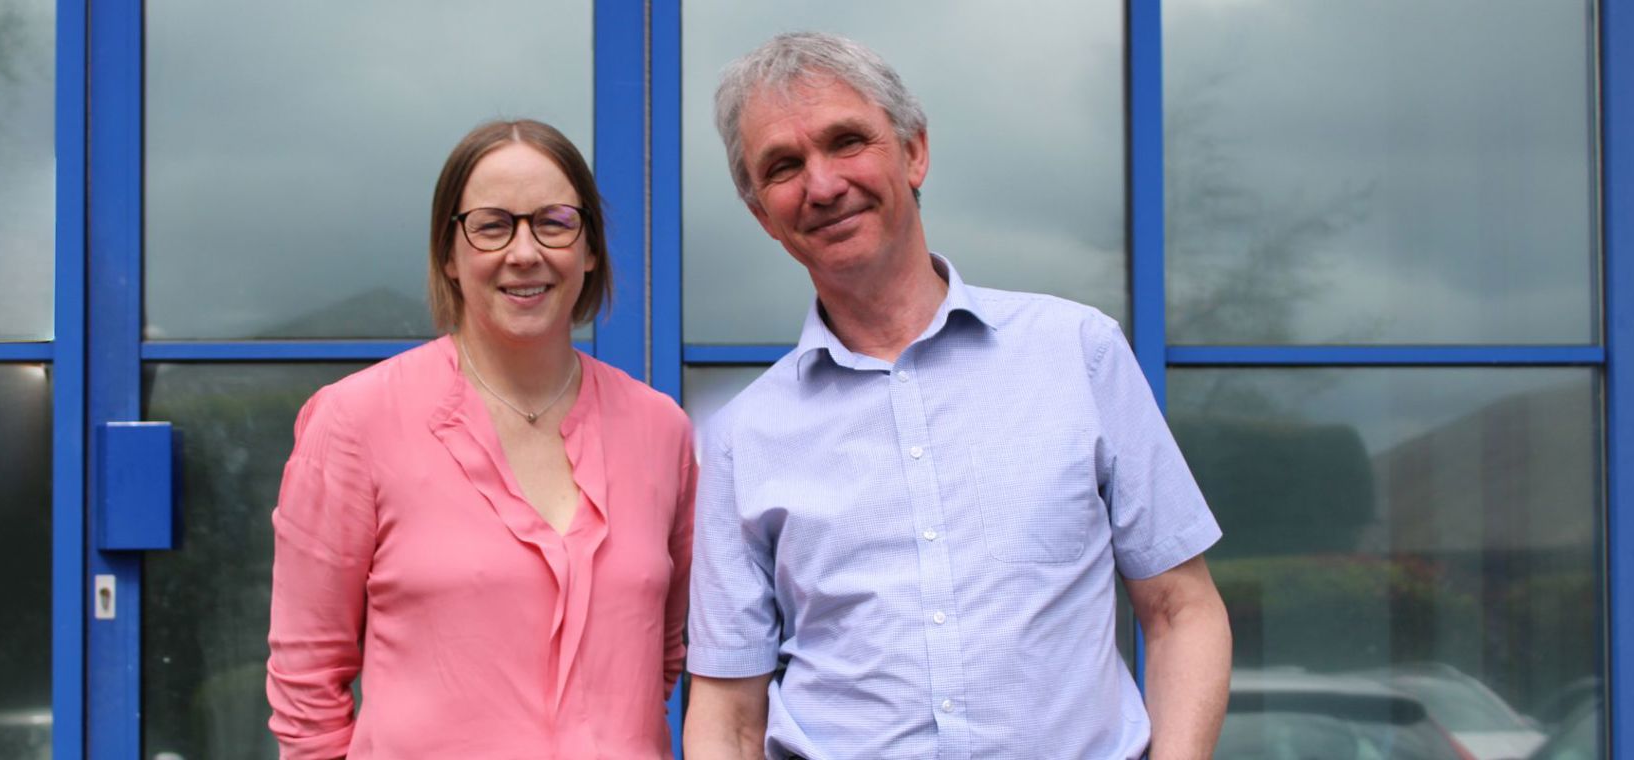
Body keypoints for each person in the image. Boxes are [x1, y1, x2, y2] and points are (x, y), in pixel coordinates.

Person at [682, 32, 1233, 760]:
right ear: (762, 214)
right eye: (783, 166)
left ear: (914, 152)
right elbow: (729, 711)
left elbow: (1180, 611)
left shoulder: (1078, 352)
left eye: (847, 142)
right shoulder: (739, 435)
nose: (821, 185)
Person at [266, 119, 696, 759]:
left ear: (591, 249)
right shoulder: (356, 420)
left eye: (553, 221)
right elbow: (307, 687)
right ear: (449, 253)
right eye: (492, 225)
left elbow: (663, 655)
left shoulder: (662, 429)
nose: (525, 252)